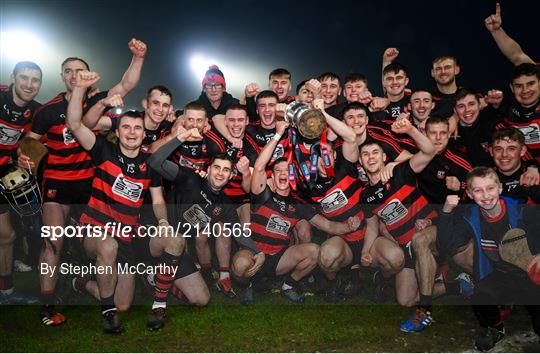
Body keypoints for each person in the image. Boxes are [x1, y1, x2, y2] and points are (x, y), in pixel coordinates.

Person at [20, 39, 147, 326]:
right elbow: (30, 143)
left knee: (102, 244)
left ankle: (85, 283)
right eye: (68, 70)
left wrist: (138, 58)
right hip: (58, 184)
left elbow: (127, 83)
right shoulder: (48, 111)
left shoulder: (97, 100)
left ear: (90, 76)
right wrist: (26, 157)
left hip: (91, 186)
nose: (73, 75)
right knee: (53, 240)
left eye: (80, 70)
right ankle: (48, 302)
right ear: (62, 76)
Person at [66, 70, 183, 333]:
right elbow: (75, 124)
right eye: (126, 128)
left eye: (137, 129)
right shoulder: (102, 150)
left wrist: (163, 221)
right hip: (95, 231)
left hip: (127, 237)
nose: (132, 132)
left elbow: (157, 198)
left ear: (144, 135)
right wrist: (79, 90)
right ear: (117, 133)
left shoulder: (149, 164)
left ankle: (82, 283)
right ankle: (107, 314)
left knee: (174, 240)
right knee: (107, 245)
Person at [231, 120, 361, 304]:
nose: (283, 173)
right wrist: (277, 135)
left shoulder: (299, 203)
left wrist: (348, 226)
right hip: (253, 252)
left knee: (315, 251)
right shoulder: (262, 194)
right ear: (272, 177)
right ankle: (248, 285)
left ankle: (288, 284)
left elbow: (328, 225)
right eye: (278, 171)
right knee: (240, 265)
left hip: (279, 259)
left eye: (288, 170)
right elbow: (259, 166)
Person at [148, 124, 262, 300]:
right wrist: (180, 138)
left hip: (179, 251)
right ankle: (153, 270)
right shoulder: (190, 178)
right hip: (158, 237)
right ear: (208, 170)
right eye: (216, 167)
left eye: (226, 170)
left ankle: (159, 278)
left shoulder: (225, 204)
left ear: (231, 176)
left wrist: (258, 252)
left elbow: (238, 233)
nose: (220, 173)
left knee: (201, 299)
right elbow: (155, 162)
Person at [437, 167, 540, 351]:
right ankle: (495, 328)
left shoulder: (522, 211)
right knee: (481, 293)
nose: (485, 195)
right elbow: (445, 245)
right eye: (478, 190)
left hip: (532, 277)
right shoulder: (470, 217)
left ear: (500, 188)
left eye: (490, 188)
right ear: (469, 193)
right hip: (502, 276)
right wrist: (446, 212)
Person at [0, 61, 43, 304]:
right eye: (24, 78)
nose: (29, 84)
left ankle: (5, 291)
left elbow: (28, 144)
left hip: (2, 175)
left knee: (6, 236)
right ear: (13, 78)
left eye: (35, 80)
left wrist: (22, 156)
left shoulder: (35, 111)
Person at [489, 127, 540, 203]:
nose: (504, 155)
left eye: (511, 149)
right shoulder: (483, 179)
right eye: (498, 149)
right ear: (491, 151)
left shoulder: (536, 176)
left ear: (522, 151)